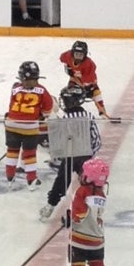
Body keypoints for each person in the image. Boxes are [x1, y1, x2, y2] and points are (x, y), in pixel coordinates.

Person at [39, 85, 101, 221]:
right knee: (89, 183)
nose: (64, 103)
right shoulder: (88, 116)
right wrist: (92, 157)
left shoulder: (63, 119)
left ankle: (50, 206)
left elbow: (57, 144)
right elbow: (96, 139)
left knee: (61, 182)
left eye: (66, 100)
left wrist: (58, 157)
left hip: (69, 158)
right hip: (86, 157)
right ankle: (90, 210)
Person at [4, 61, 54, 190]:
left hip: (11, 125)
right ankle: (31, 181)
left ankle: (10, 177)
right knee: (30, 154)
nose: (28, 82)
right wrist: (42, 116)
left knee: (12, 151)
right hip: (29, 127)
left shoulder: (15, 88)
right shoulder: (42, 90)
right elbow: (48, 108)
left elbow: (11, 107)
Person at [65, 157, 109, 266]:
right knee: (96, 261)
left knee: (78, 263)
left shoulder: (82, 191)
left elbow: (80, 213)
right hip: (97, 239)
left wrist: (69, 218)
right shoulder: (101, 194)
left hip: (80, 239)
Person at [59, 40, 109, 119]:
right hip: (75, 79)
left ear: (85, 55)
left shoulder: (89, 65)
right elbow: (61, 58)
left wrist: (87, 88)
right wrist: (68, 66)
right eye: (76, 54)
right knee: (70, 94)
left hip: (90, 83)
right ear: (72, 53)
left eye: (80, 55)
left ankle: (102, 112)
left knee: (96, 94)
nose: (78, 57)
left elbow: (89, 78)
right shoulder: (68, 55)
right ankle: (71, 110)